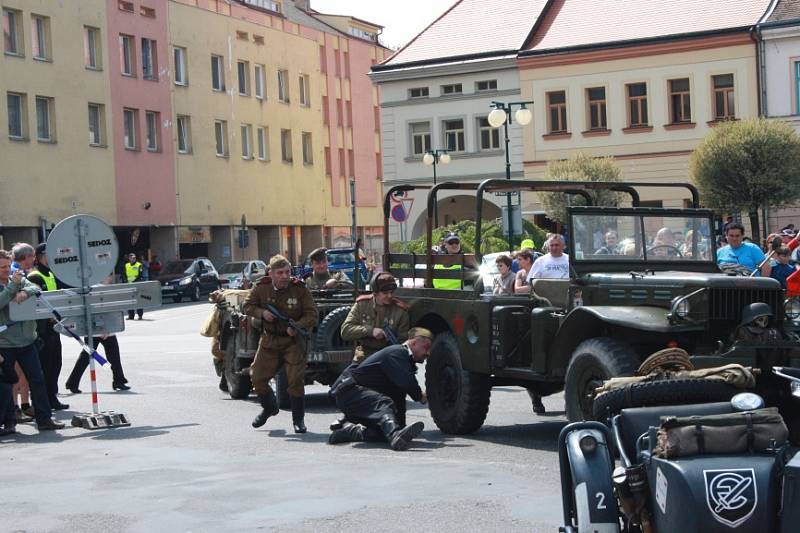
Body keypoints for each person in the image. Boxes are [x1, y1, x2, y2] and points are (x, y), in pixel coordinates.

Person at [243, 255, 318, 433]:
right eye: (280, 272)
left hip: (292, 341)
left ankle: (298, 420)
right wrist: (262, 313)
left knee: (295, 381)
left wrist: (298, 326)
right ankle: (269, 407)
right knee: (257, 377)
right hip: (269, 339)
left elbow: (312, 314)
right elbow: (246, 306)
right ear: (271, 273)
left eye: (287, 272)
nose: (285, 276)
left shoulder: (299, 289)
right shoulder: (262, 287)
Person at [327, 327, 432, 451]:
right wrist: (420, 396)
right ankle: (394, 435)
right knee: (383, 405)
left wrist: (399, 422)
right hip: (350, 393)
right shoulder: (398, 353)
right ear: (414, 343)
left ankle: (352, 432)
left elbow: (399, 394)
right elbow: (407, 382)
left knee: (387, 430)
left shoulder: (405, 360)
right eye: (426, 348)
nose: (428, 353)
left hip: (363, 399)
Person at [0, 250, 64, 432]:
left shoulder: (18, 278)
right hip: (4, 343)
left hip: (28, 341)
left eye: (7, 266)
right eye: (2, 267)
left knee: (37, 380)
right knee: (5, 383)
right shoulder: (14, 282)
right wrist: (14, 288)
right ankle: (9, 421)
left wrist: (26, 292)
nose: (6, 270)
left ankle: (44, 419)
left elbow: (36, 288)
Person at [65, 276, 130, 392]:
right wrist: (104, 330)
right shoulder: (100, 290)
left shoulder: (91, 289)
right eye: (110, 275)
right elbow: (103, 312)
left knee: (86, 357)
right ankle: (118, 381)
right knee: (113, 356)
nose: (111, 278)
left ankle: (72, 383)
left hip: (93, 330)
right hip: (103, 330)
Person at [26, 243, 68, 410]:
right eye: (48, 255)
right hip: (42, 329)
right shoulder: (35, 276)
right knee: (45, 367)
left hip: (54, 327)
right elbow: (35, 304)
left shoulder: (50, 274)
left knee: (55, 364)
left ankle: (52, 397)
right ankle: (44, 401)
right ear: (40, 256)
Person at [341, 272, 409, 363]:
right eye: (385, 293)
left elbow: (403, 342)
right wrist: (370, 331)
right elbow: (345, 331)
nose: (389, 296)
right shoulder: (362, 305)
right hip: (364, 355)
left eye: (391, 292)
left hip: (388, 357)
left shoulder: (400, 311)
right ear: (375, 293)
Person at [124, 252, 144, 319]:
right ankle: (131, 315)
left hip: (137, 284)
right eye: (132, 258)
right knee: (130, 301)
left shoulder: (139, 265)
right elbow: (124, 274)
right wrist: (125, 281)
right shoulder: (126, 265)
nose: (133, 259)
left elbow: (140, 275)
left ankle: (140, 315)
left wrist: (134, 281)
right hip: (129, 285)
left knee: (138, 300)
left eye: (134, 258)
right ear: (129, 258)